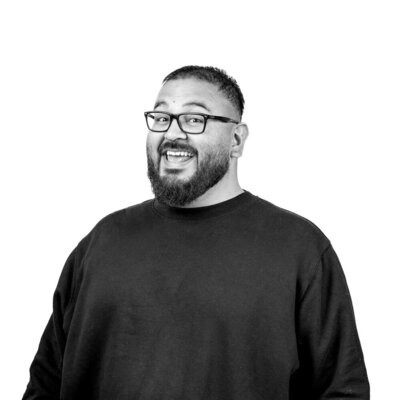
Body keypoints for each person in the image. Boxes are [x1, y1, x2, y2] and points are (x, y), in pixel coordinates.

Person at [22, 66, 370, 399]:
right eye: (161, 118)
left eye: (194, 119)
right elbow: (46, 382)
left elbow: (341, 389)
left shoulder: (299, 248)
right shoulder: (102, 241)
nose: (172, 133)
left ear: (236, 139)